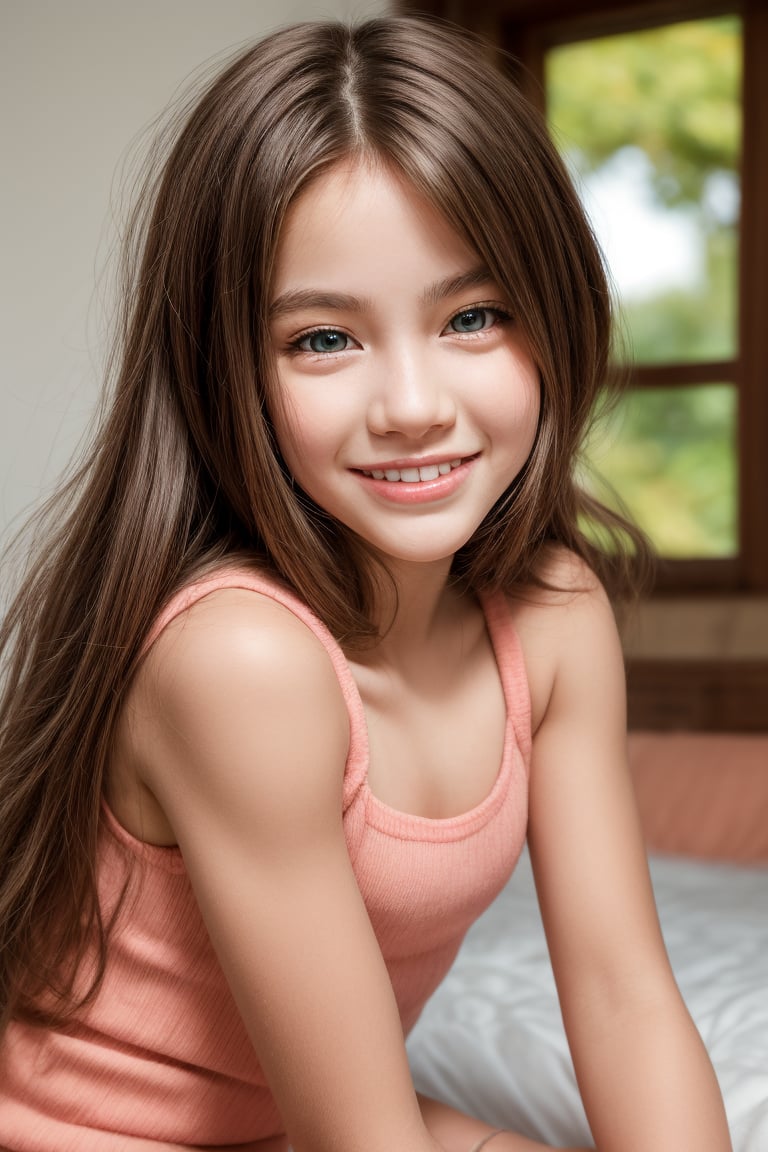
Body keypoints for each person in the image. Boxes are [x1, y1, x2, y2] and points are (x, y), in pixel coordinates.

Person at [0, 16, 732, 1152]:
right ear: (226, 368)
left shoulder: (554, 617)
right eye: (324, 341)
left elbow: (624, 996)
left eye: (474, 318)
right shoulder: (240, 662)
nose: (410, 403)